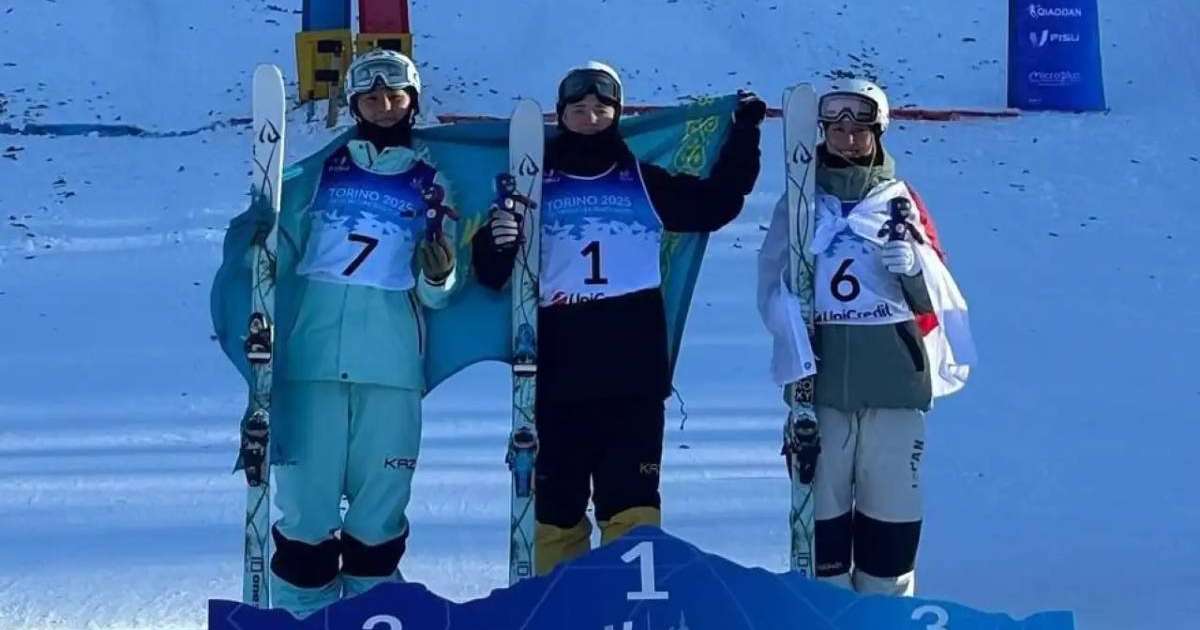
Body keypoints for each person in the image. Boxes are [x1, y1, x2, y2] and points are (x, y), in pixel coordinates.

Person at [472, 61, 766, 576]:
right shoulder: (531, 185)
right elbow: (493, 275)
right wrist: (497, 244)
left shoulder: (641, 181)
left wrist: (744, 135)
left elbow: (715, 205)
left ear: (617, 115)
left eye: (600, 110)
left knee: (630, 509)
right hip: (556, 377)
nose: (589, 119)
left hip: (632, 378)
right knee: (556, 513)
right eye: (579, 110)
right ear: (561, 115)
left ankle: (628, 606)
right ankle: (559, 610)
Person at [260, 48, 459, 617]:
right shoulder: (319, 171)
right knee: (305, 524)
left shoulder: (431, 181)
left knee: (376, 528)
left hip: (392, 369)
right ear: (354, 104)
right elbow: (280, 253)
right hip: (311, 365)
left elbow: (438, 294)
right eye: (371, 97)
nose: (385, 105)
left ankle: (375, 620)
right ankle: (298, 619)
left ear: (412, 102)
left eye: (396, 96)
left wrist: (439, 270)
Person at [757, 79, 974, 596]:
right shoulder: (801, 202)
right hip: (821, 393)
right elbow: (768, 283)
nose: (848, 139)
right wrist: (792, 317)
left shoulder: (898, 201)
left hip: (894, 389)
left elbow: (938, 302)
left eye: (860, 129)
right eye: (837, 128)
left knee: (889, 533)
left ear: (878, 133)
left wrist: (913, 269)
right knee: (822, 540)